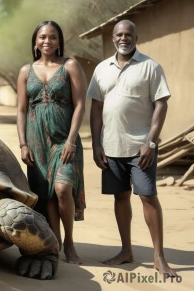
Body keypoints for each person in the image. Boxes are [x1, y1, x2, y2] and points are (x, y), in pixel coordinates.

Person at [87, 19, 177, 277]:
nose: (123, 38)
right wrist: (96, 143)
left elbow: (161, 104)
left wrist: (150, 142)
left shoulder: (150, 66)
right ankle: (126, 250)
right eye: (119, 34)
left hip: (141, 148)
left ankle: (159, 257)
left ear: (136, 38)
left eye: (128, 34)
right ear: (113, 37)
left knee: (148, 196)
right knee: (120, 196)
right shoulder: (102, 68)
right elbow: (96, 107)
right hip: (111, 146)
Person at [16, 20, 87, 264]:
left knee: (62, 189)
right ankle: (54, 240)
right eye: (43, 37)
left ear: (60, 41)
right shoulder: (26, 70)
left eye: (53, 37)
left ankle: (69, 242)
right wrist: (23, 144)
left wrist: (71, 141)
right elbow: (21, 110)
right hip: (36, 141)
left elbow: (79, 105)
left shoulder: (70, 65)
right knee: (45, 196)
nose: (48, 41)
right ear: (35, 41)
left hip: (63, 139)